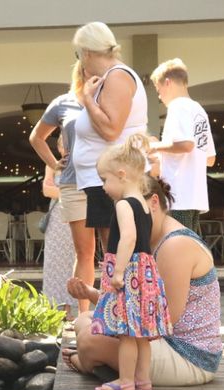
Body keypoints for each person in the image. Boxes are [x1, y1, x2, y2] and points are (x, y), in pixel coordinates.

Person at [64, 175, 222, 388]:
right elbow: (141, 309)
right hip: (156, 339)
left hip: (188, 356)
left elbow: (164, 320)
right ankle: (98, 364)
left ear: (153, 203)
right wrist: (90, 293)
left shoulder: (175, 245)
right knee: (84, 320)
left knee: (90, 341)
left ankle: (85, 362)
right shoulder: (150, 241)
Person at [85, 134, 172, 390]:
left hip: (129, 272)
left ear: (122, 174)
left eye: (105, 180)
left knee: (126, 333)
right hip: (144, 271)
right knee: (141, 334)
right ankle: (143, 380)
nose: (103, 187)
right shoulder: (145, 205)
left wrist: (118, 271)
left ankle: (125, 381)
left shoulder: (123, 204)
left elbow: (129, 238)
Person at [71, 21, 148, 254]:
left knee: (115, 251)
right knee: (112, 250)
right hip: (105, 177)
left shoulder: (117, 76)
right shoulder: (111, 76)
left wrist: (86, 99)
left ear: (86, 52)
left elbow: (111, 129)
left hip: (113, 177)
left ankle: (120, 289)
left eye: (78, 54)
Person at [29, 62, 94, 314]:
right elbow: (36, 137)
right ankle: (84, 315)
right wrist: (55, 164)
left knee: (111, 250)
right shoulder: (63, 102)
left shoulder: (107, 98)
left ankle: (110, 311)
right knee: (84, 253)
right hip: (73, 184)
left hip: (104, 181)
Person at [149, 58, 216, 231]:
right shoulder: (199, 110)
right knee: (190, 246)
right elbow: (210, 158)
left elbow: (186, 145)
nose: (159, 96)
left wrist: (156, 146)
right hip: (196, 195)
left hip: (178, 193)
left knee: (176, 246)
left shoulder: (177, 106)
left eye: (159, 90)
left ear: (168, 83)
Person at [38, 135, 78, 319]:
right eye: (63, 144)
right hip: (57, 216)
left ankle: (70, 308)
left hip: (75, 215)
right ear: (59, 147)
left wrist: (61, 192)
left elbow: (84, 190)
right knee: (54, 260)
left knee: (72, 260)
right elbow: (46, 190)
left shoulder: (80, 164)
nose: (65, 148)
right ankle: (54, 308)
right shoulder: (52, 165)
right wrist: (70, 192)